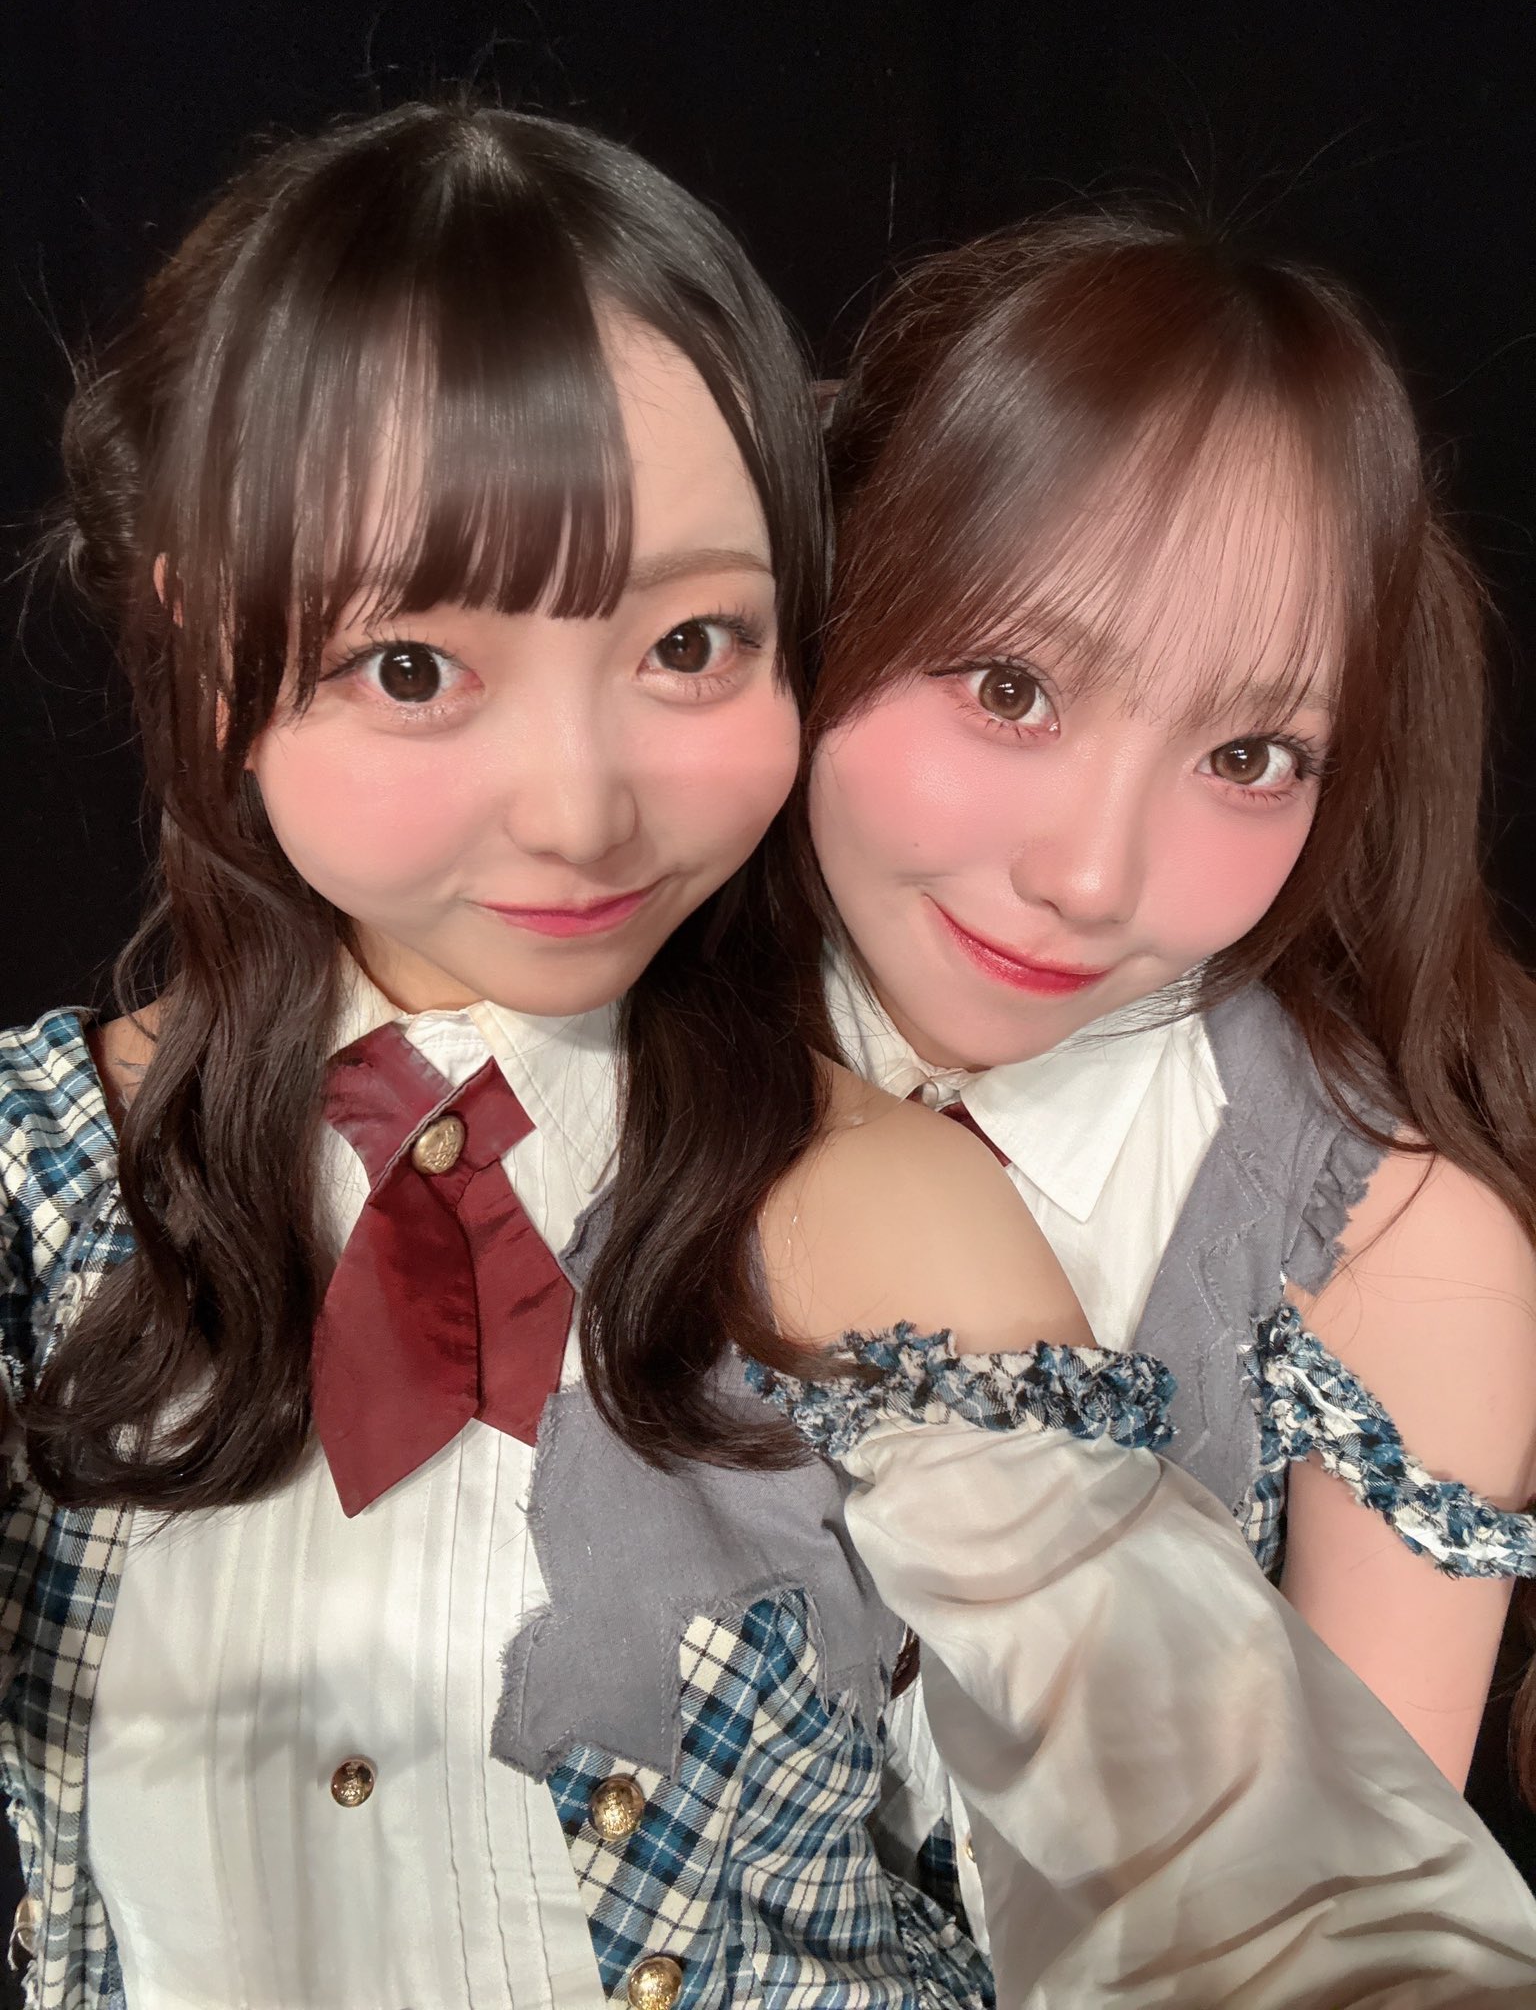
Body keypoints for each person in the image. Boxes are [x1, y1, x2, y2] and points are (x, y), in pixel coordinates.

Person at [3, 109, 1535, 2010]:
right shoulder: (63, 1169)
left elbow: (1275, 1884)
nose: (580, 811)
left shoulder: (884, 1202)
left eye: (690, 645)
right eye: (414, 667)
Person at [799, 210, 1536, 1798]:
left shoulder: (1388, 1251)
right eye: (1010, 689)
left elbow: (1341, 1903)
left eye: (1247, 757)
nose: (1090, 877)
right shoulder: (563, 1024)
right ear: (828, 583)